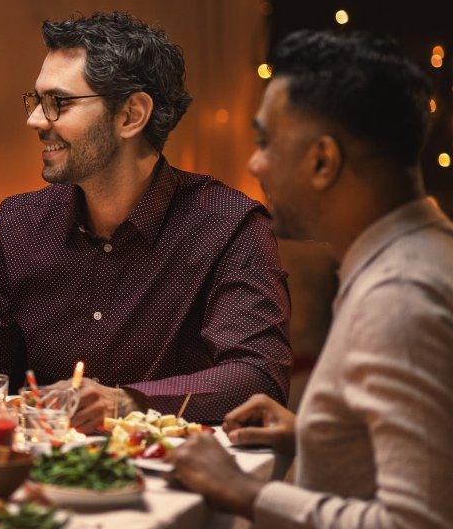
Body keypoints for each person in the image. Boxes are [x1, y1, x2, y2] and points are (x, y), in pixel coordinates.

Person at [0, 12, 293, 431]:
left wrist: (126, 402)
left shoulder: (228, 225)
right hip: (43, 478)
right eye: (37, 100)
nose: (35, 120)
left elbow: (258, 378)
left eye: (58, 103)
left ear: (131, 115)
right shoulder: (20, 224)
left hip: (177, 481)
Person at [168, 30, 453, 528]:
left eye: (265, 141)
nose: (254, 163)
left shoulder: (399, 297)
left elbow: (418, 523)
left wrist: (245, 493)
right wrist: (315, 434)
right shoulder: (424, 253)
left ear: (323, 160)